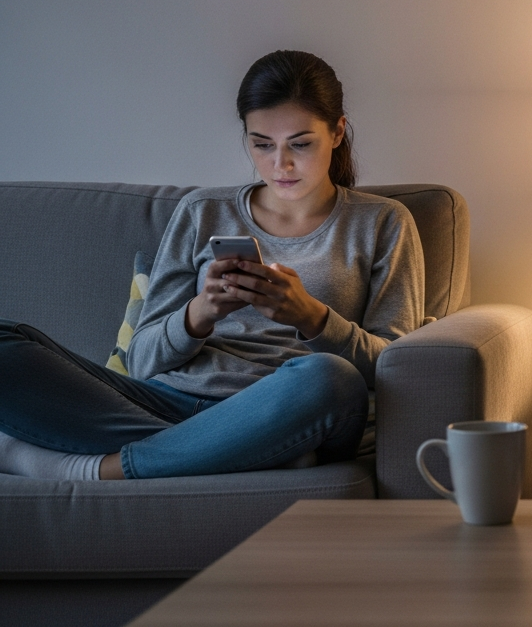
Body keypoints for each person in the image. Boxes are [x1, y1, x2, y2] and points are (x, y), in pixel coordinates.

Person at [0, 50, 424, 481]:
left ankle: (103, 469)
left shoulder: (383, 222)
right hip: (167, 404)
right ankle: (236, 452)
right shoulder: (202, 211)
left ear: (337, 132)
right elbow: (143, 360)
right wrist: (200, 312)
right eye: (262, 144)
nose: (282, 164)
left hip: (289, 404)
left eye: (301, 143)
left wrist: (311, 317)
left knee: (329, 378)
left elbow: (398, 368)